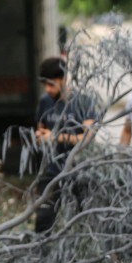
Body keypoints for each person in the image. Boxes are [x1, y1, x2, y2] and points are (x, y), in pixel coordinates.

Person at [33, 56, 97, 233]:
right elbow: (40, 131)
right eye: (45, 85)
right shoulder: (45, 102)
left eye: (52, 84)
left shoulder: (82, 102)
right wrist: (40, 137)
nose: (48, 89)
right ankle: (41, 254)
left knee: (85, 220)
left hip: (79, 170)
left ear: (63, 79)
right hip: (52, 171)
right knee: (44, 220)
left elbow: (88, 138)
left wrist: (56, 137)